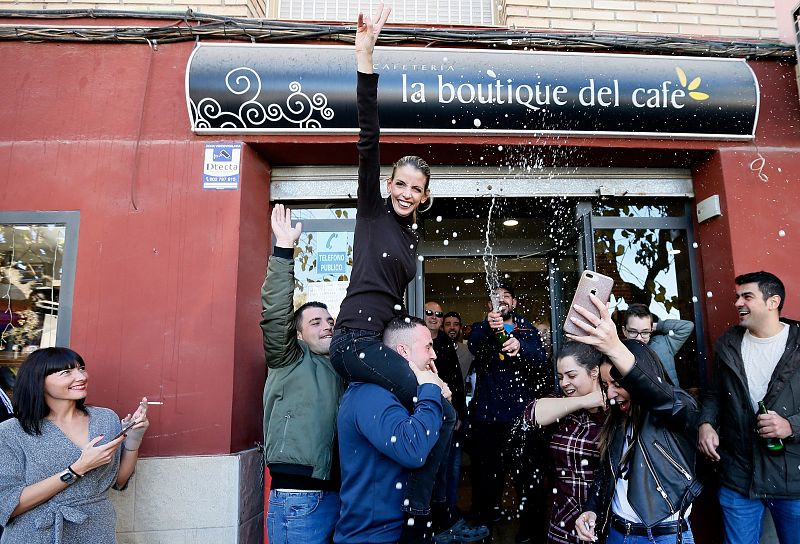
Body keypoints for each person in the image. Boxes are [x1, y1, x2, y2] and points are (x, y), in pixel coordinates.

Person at [328, 4, 456, 539]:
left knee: (440, 411)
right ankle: (426, 514)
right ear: (388, 187)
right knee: (437, 405)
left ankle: (418, 511)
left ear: (425, 198)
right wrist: (365, 55)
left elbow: (392, 300)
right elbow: (367, 136)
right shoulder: (372, 212)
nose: (405, 193)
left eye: (415, 189)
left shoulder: (410, 237)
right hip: (353, 341)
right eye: (399, 183)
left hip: (373, 341)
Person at [571, 295, 702, 544]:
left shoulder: (677, 408)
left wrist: (614, 347)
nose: (611, 394)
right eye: (606, 385)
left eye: (618, 384)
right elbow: (607, 474)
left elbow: (655, 393)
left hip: (664, 537)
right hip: (618, 534)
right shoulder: (618, 420)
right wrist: (591, 508)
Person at [0, 347, 148, 543]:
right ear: (39, 381)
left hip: (96, 530)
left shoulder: (105, 419)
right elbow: (8, 505)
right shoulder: (12, 431)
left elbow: (118, 481)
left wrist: (133, 440)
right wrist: (78, 468)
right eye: (66, 372)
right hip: (36, 533)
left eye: (81, 368)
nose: (81, 376)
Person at [261, 204, 345, 544]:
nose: (326, 326)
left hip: (336, 495)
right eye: (315, 322)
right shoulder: (287, 358)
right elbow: (276, 313)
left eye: (329, 321)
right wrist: (283, 251)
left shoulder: (341, 366)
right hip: (298, 498)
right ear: (297, 334)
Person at [697, 271, 800, 544]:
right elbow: (713, 395)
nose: (738, 303)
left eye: (747, 296)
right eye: (737, 297)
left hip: (793, 479)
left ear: (773, 302)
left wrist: (791, 426)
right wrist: (706, 423)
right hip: (739, 476)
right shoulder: (728, 344)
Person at [335, 317, 446, 544]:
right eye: (428, 347)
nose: (433, 355)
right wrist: (430, 390)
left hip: (396, 531)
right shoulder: (371, 394)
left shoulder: (394, 393)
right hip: (373, 537)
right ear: (403, 351)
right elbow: (413, 448)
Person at [466, 283, 550, 539]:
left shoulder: (526, 329)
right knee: (486, 482)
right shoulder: (482, 330)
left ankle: (530, 533)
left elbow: (540, 361)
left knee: (528, 482)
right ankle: (483, 529)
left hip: (522, 420)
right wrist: (490, 328)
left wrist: (520, 347)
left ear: (513, 303)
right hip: (488, 421)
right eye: (496, 298)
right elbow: (473, 345)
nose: (501, 301)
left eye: (506, 297)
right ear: (489, 306)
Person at [523, 342, 606, 544]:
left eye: (571, 375)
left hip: (601, 514)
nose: (564, 383)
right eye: (560, 377)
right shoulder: (561, 403)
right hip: (564, 512)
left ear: (594, 372)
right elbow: (531, 415)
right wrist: (585, 401)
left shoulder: (612, 409)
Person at [621, 303, 694, 386]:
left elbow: (687, 326)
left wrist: (658, 326)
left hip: (672, 397)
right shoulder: (619, 354)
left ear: (651, 330)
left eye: (645, 332)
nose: (639, 338)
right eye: (633, 332)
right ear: (624, 331)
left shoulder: (664, 344)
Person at [442, 311, 473, 382]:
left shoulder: (468, 350)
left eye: (456, 324)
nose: (452, 327)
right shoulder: (434, 351)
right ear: (442, 328)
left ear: (460, 328)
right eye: (448, 324)